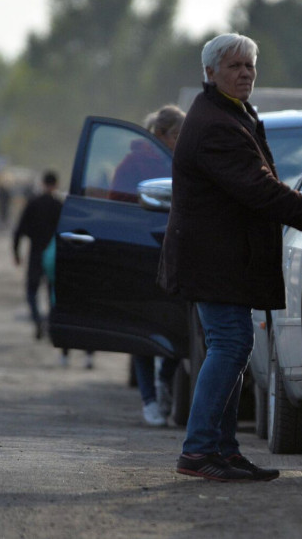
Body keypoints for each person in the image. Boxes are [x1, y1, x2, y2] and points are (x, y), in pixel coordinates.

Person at [157, 33, 302, 482]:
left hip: (222, 258)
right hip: (214, 259)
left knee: (232, 345)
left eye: (250, 66)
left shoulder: (233, 114)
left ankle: (222, 451)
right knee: (231, 344)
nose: (245, 73)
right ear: (210, 73)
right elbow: (258, 187)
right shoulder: (216, 124)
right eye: (234, 66)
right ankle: (199, 450)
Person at [120, 105, 187, 426]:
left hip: (175, 254)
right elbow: (116, 202)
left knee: (177, 323)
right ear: (161, 135)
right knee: (143, 329)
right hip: (140, 251)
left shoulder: (183, 161)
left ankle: (164, 380)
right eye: (176, 135)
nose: (179, 141)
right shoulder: (133, 163)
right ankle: (148, 398)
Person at [13, 170, 63, 340]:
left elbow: (19, 230)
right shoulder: (59, 205)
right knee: (52, 293)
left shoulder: (33, 203)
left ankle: (37, 320)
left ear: (43, 183)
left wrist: (16, 253)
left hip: (35, 254)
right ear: (56, 184)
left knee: (31, 291)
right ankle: (50, 323)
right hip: (54, 257)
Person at [41, 239, 94, 369]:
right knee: (87, 325)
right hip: (86, 295)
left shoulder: (63, 236)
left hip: (64, 292)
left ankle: (65, 355)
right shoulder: (93, 236)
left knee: (66, 325)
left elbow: (49, 262)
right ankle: (88, 356)